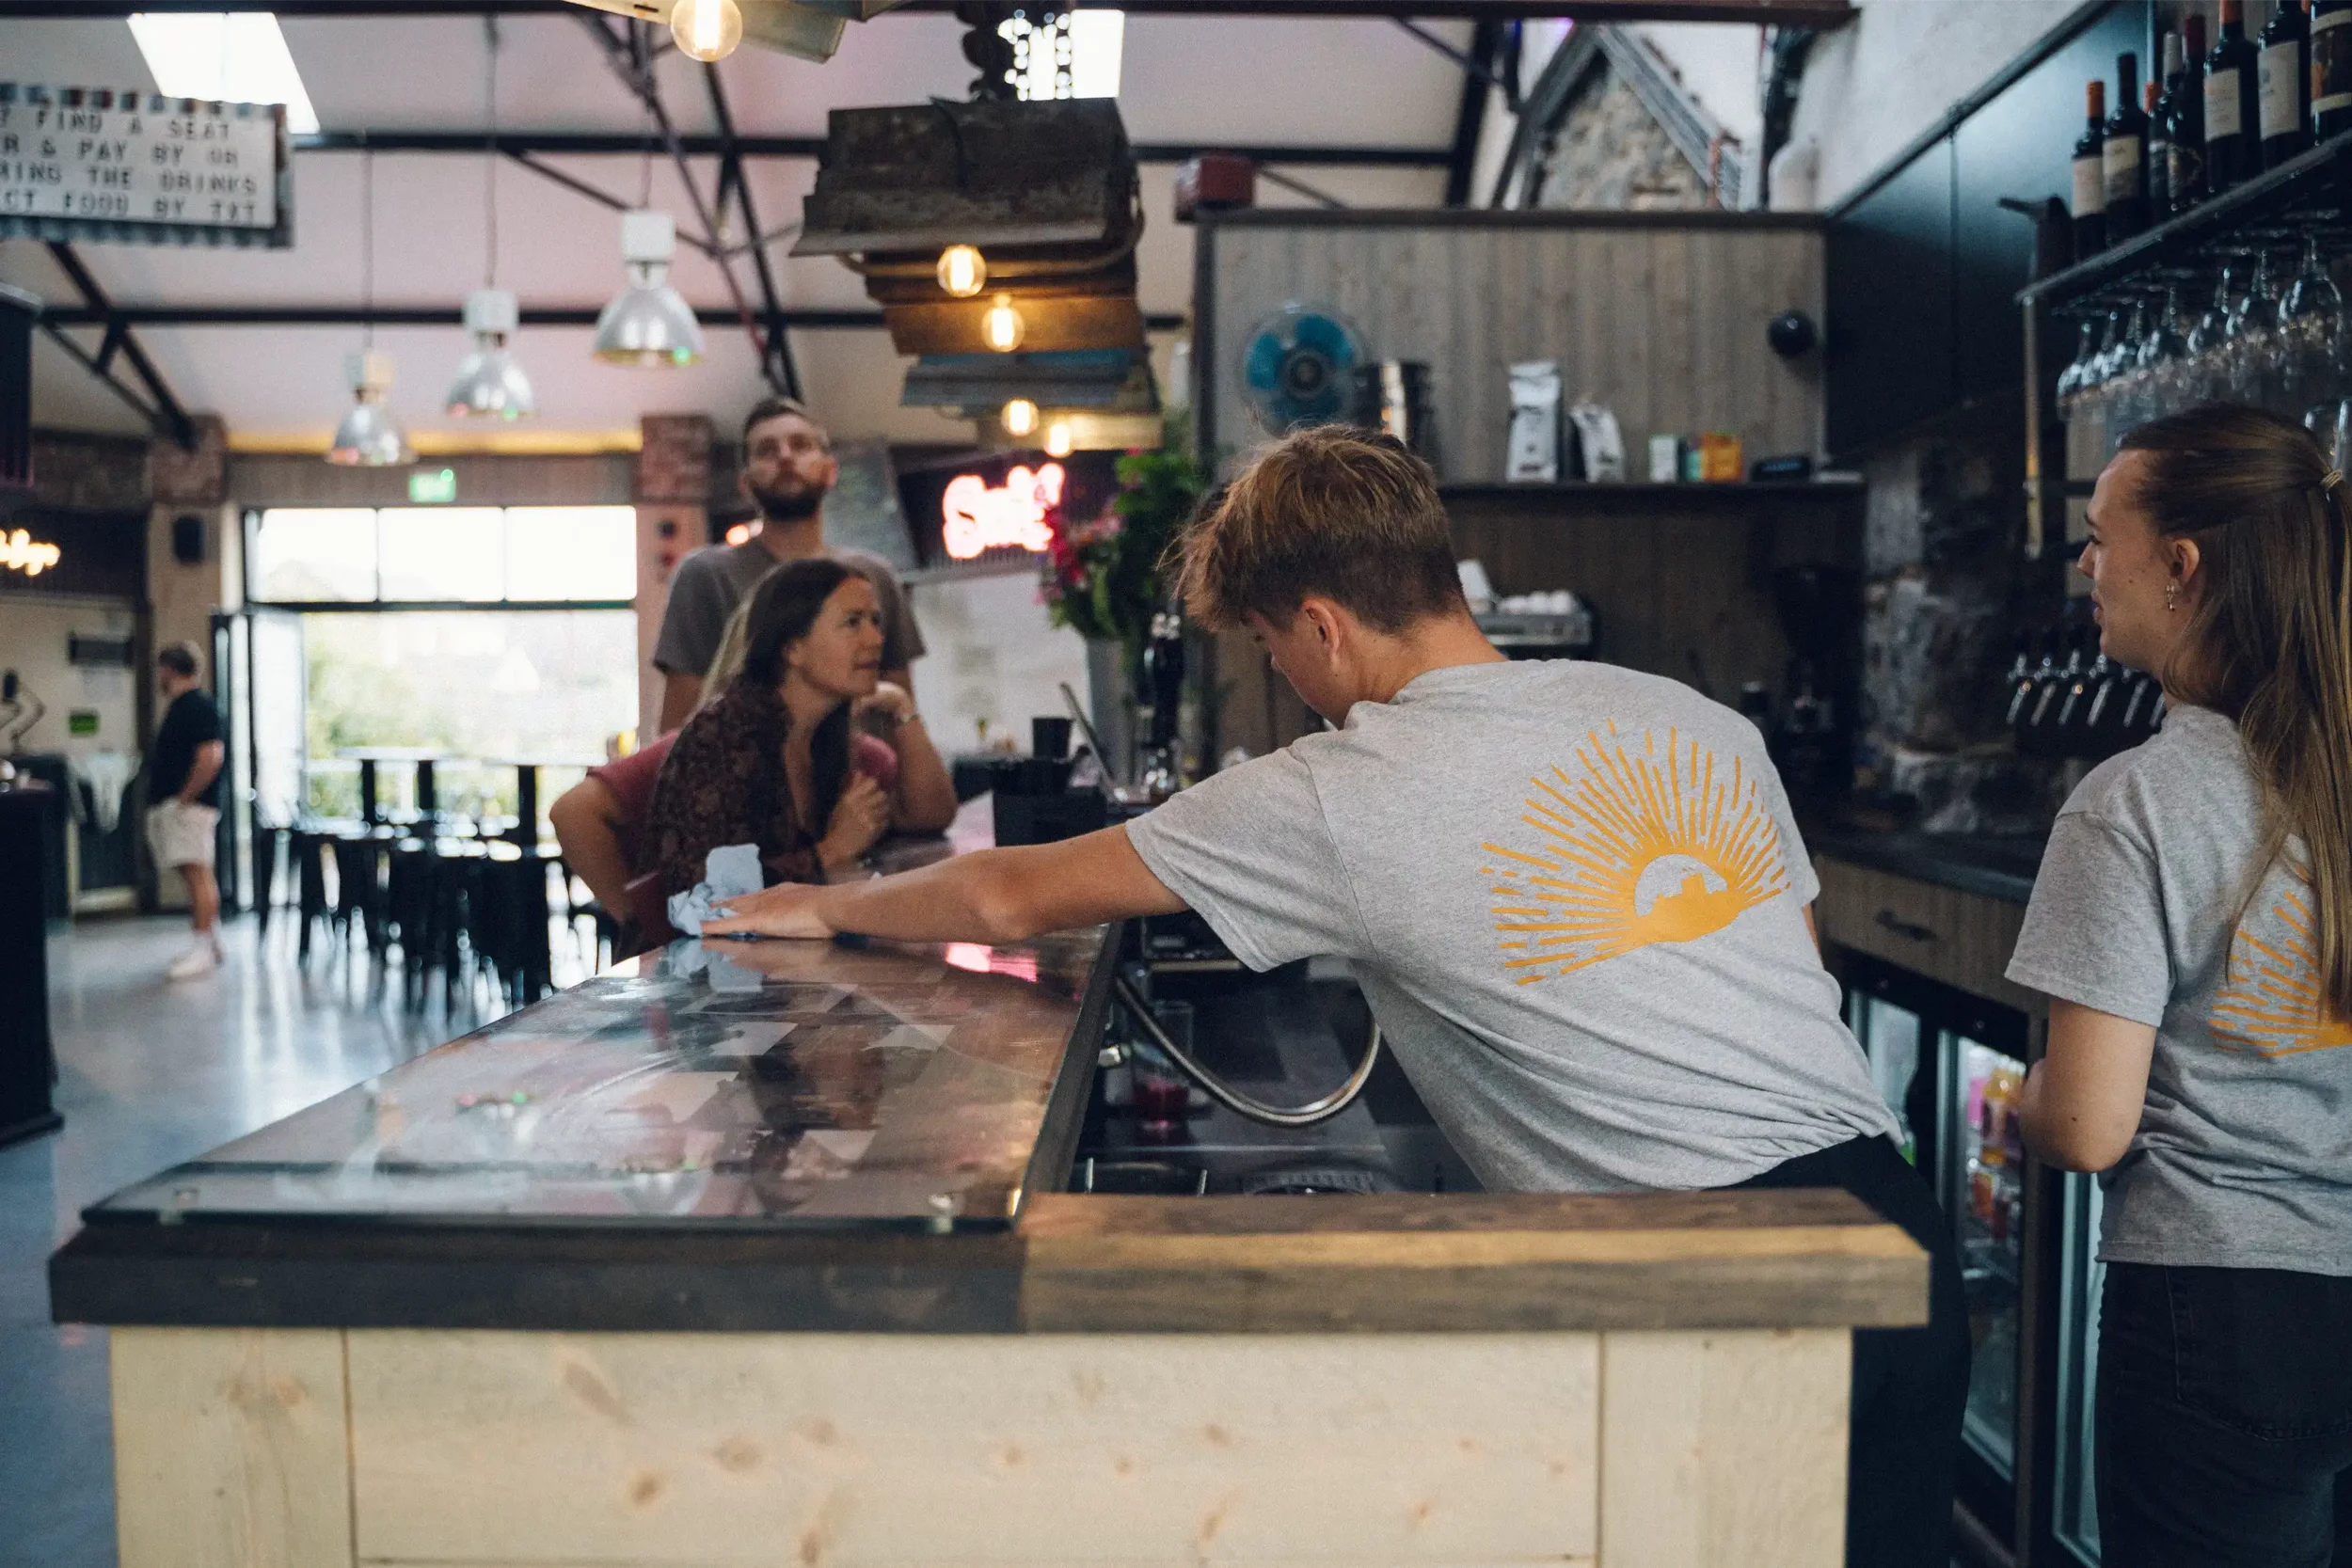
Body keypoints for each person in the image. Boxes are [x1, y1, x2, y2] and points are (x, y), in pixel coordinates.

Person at [706, 426, 1969, 1568]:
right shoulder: (1687, 717)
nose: (1280, 672)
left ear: (1320, 623)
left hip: (1712, 1289)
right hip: (1898, 1244)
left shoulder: (1342, 788)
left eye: (1267, 644)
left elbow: (1008, 896)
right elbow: (1801, 969)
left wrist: (827, 904)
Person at [2007, 404, 2352, 1568]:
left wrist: (2024, 1093)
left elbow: (2083, 1127)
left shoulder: (2134, 800)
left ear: (2181, 565)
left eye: (2100, 536)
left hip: (2219, 1303)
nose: (2085, 564)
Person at [649, 557, 957, 898]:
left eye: (875, 621)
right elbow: (700, 893)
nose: (875, 638)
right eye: (852, 622)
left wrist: (901, 704)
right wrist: (831, 850)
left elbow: (930, 816)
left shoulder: (827, 733)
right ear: (792, 648)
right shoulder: (724, 737)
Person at [650, 398, 925, 734]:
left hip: (859, 765)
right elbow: (677, 730)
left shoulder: (875, 578)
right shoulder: (707, 576)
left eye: (800, 445)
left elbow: (902, 719)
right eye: (767, 450)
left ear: (830, 471)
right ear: (745, 483)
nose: (785, 457)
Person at [148, 641, 226, 980]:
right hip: (183, 805)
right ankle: (212, 942)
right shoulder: (184, 706)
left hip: (191, 807)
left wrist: (185, 798)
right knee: (193, 872)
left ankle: (202, 947)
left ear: (169, 669)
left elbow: (211, 757)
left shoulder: (198, 706)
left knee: (197, 873)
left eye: (161, 670)